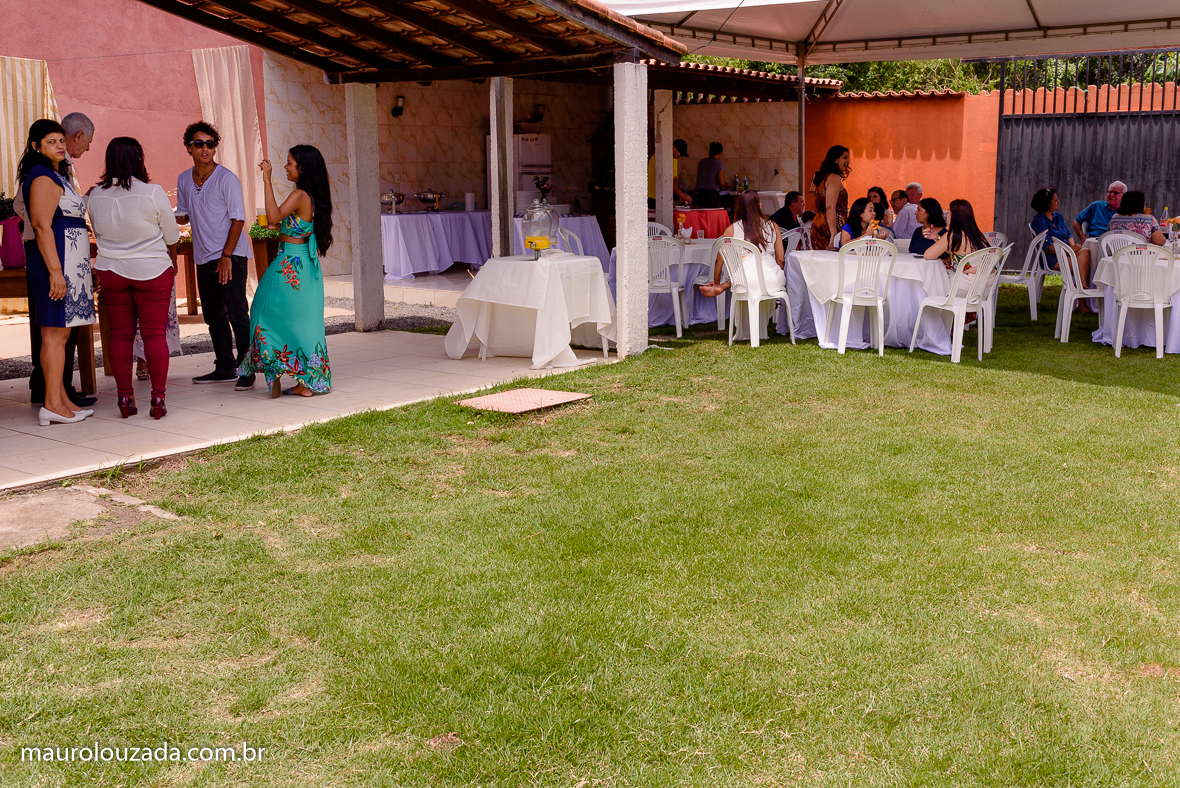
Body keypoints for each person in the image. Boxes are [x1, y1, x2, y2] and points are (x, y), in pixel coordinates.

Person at [88, 137, 180, 419]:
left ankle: (124, 398)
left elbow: (98, 233)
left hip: (112, 270)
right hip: (152, 270)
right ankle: (157, 398)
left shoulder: (94, 195)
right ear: (139, 159)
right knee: (154, 335)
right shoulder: (152, 192)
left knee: (119, 335)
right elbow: (172, 235)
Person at [15, 112, 97, 408]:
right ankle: (52, 403)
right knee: (53, 334)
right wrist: (56, 272)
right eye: (52, 142)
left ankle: (61, 399)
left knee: (61, 335)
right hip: (56, 263)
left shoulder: (56, 174)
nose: (61, 146)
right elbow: (40, 225)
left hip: (68, 263)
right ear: (36, 146)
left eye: (61, 140)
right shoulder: (41, 176)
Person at [239, 145, 333, 398]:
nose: (286, 167)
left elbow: (272, 218)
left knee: (261, 312)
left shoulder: (301, 195)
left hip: (289, 264)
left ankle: (279, 369)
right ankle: (306, 380)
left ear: (302, 168)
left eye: (290, 162)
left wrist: (266, 181)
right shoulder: (311, 195)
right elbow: (276, 223)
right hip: (304, 267)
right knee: (301, 321)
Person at [175, 121, 253, 388]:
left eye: (210, 144)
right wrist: (167, 214)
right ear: (189, 148)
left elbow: (238, 219)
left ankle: (247, 368)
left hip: (231, 255)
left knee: (237, 313)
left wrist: (226, 256)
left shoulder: (227, 179)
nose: (205, 148)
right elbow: (184, 215)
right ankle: (224, 366)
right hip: (204, 255)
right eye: (199, 143)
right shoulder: (184, 179)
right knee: (213, 315)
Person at [697, 190, 785, 306]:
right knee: (758, 274)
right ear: (759, 205)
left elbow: (719, 260)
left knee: (744, 274)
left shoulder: (731, 229)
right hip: (772, 280)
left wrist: (717, 282)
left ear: (739, 208)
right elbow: (781, 260)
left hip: (744, 281)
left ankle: (722, 286)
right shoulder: (773, 226)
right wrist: (776, 273)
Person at [1030, 188, 1093, 294]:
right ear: (1047, 204)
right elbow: (1048, 248)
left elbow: (1069, 235)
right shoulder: (1039, 221)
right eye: (1055, 200)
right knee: (1083, 265)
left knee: (1086, 251)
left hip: (1068, 252)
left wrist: (1072, 248)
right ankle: (1082, 295)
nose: (1058, 202)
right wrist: (1070, 250)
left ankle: (1080, 287)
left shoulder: (1057, 216)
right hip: (1052, 258)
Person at [809, 145, 850, 250]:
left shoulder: (825, 177)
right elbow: (830, 207)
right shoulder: (834, 178)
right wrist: (833, 233)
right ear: (836, 159)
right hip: (832, 223)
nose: (848, 161)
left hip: (820, 221)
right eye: (845, 157)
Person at [647, 138, 692, 209]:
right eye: (679, 153)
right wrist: (683, 195)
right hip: (653, 196)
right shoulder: (662, 157)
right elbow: (668, 180)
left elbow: (674, 179)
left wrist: (680, 195)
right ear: (673, 148)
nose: (680, 157)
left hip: (664, 196)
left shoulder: (674, 159)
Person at [693, 142, 727, 209]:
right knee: (711, 216)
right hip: (712, 195)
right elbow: (721, 183)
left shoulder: (702, 162)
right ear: (720, 153)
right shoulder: (719, 164)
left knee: (699, 216)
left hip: (699, 193)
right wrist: (726, 185)